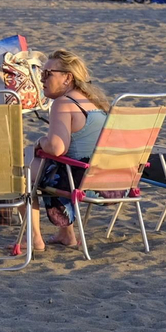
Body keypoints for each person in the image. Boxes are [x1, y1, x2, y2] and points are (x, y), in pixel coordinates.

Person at [25, 49, 108, 252]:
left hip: (80, 180)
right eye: (41, 74)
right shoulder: (95, 102)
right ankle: (66, 234)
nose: (41, 79)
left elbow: (56, 148)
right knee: (50, 163)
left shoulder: (64, 103)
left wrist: (40, 142)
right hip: (109, 179)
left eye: (47, 74)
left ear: (67, 78)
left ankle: (35, 238)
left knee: (20, 171)